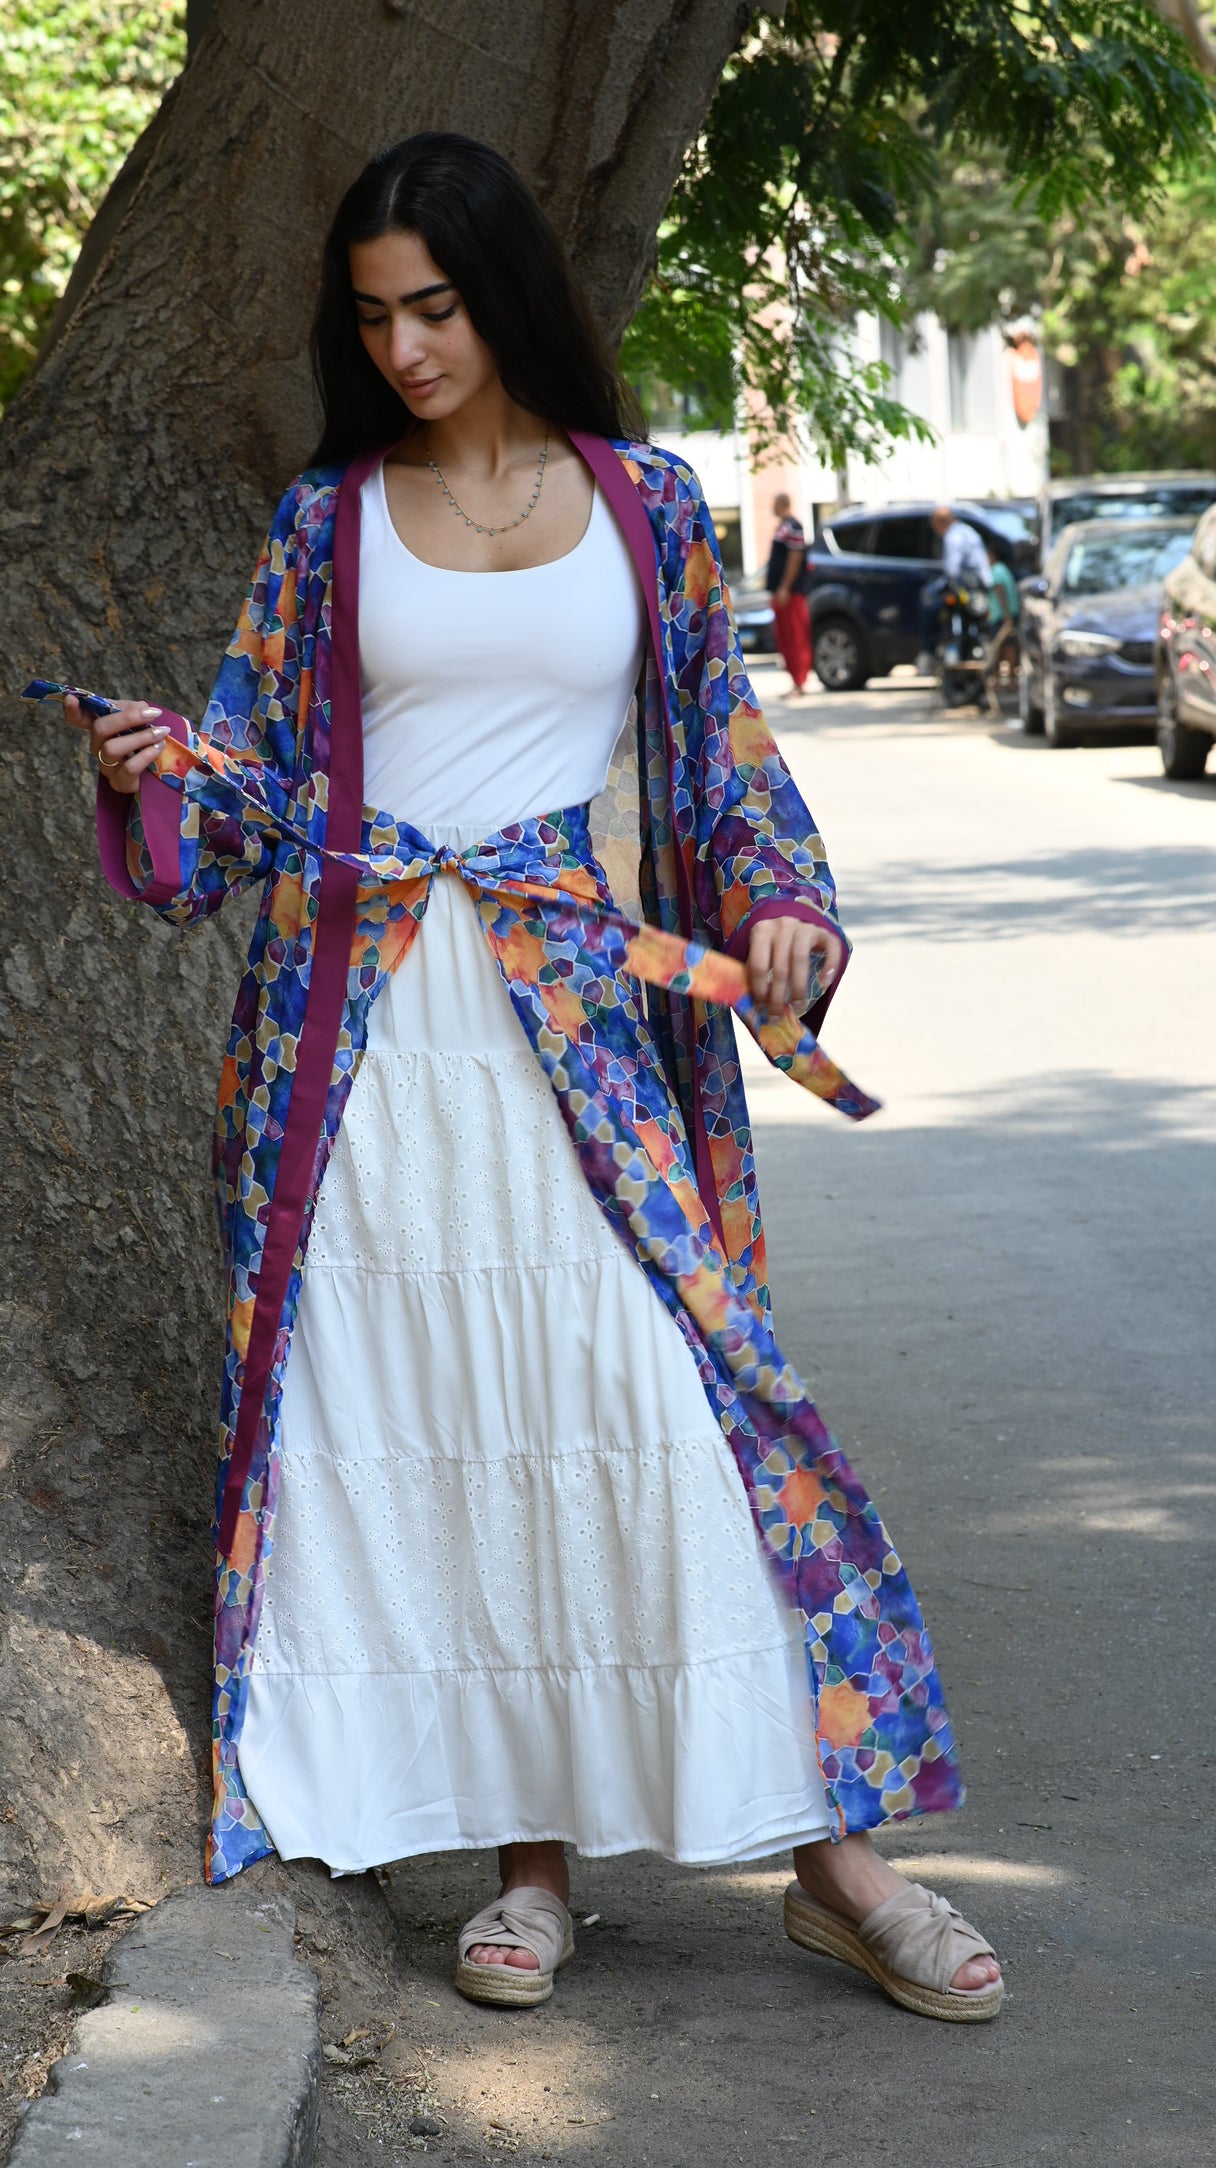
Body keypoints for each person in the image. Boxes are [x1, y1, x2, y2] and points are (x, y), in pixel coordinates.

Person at [63, 132, 1001, 2024]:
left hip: (585, 1030)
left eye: (437, 305)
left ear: (505, 295)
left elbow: (727, 771)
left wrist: (793, 921)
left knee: (670, 1414)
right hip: (359, 1062)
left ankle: (838, 1861)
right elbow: (243, 803)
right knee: (456, 1436)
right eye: (374, 317)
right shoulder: (326, 527)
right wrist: (154, 774)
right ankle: (526, 1868)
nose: (406, 347)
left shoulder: (648, 502)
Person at [918, 504, 991, 669]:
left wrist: (940, 587)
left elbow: (952, 571)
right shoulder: (969, 532)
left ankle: (927, 651)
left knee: (926, 598)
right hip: (980, 590)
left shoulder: (952, 537)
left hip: (964, 590)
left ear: (937, 524)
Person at [767, 492, 812, 696]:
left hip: (791, 593)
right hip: (780, 593)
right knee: (784, 638)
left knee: (796, 637)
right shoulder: (783, 527)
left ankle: (801, 682)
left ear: (782, 504)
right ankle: (795, 681)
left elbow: (795, 557)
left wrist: (785, 586)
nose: (772, 507)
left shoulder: (794, 526)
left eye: (775, 503)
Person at [982, 536, 1021, 718]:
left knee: (1001, 650)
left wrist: (1005, 616)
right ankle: (1009, 681)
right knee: (1008, 648)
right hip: (1006, 615)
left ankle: (1001, 681)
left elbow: (1000, 591)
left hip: (1000, 617)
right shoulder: (1004, 569)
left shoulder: (996, 571)